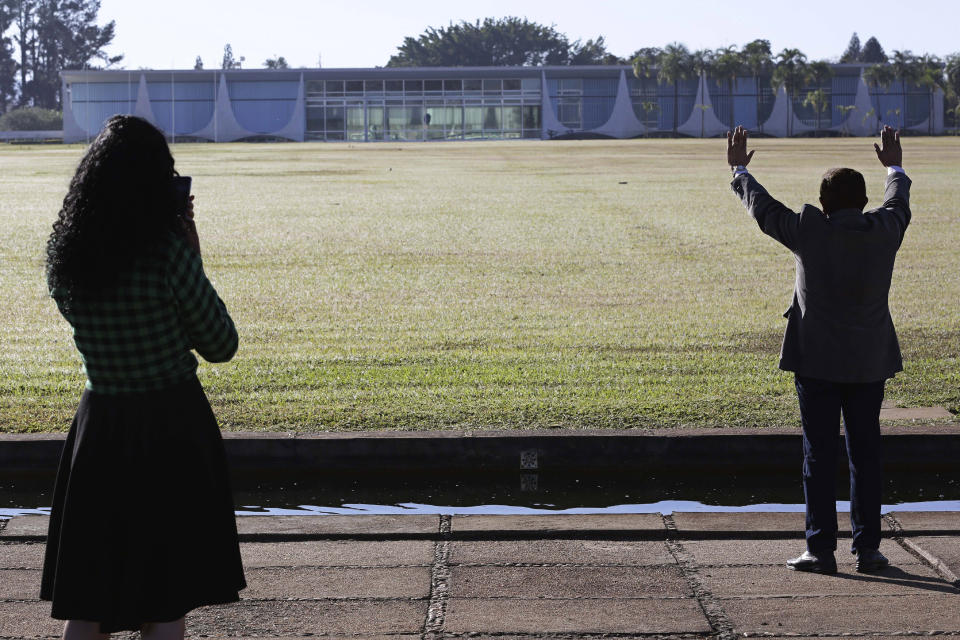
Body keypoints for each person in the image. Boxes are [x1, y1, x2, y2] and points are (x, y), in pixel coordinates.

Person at [41, 115, 246, 638]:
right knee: (166, 596)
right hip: (170, 428)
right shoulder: (167, 253)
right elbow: (221, 344)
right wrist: (191, 249)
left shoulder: (65, 257)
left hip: (99, 428)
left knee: (89, 599)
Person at [727, 125, 910, 574]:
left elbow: (763, 209)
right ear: (863, 202)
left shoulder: (810, 229)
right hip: (869, 363)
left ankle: (820, 549)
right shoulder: (885, 229)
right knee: (865, 454)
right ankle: (868, 549)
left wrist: (738, 169)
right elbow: (898, 200)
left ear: (823, 204)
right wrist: (894, 166)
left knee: (819, 454)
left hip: (817, 362)